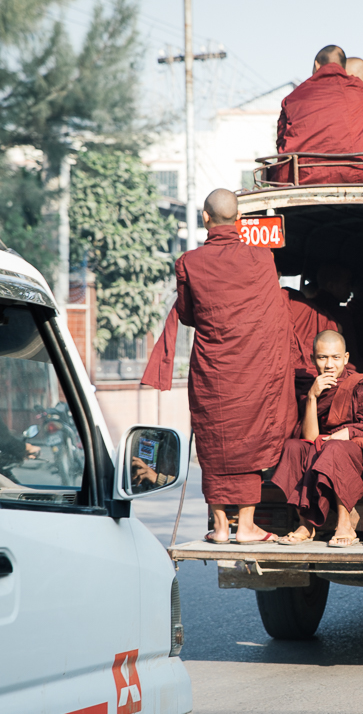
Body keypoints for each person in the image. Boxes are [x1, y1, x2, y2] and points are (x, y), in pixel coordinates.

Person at [142, 189, 295, 544]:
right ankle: (247, 526)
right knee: (251, 438)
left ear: (206, 218)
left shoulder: (189, 262)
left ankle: (222, 527)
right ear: (239, 218)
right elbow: (271, 316)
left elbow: (188, 314)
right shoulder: (261, 258)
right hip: (253, 367)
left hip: (214, 368)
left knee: (214, 441)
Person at [272, 331, 363, 548]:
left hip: (351, 454)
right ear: (312, 359)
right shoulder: (311, 388)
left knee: (335, 448)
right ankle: (305, 524)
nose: (329, 364)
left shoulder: (361, 386)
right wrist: (312, 396)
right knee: (293, 447)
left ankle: (345, 523)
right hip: (320, 448)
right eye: (322, 357)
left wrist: (348, 433)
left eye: (335, 357)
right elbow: (309, 437)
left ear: (346, 358)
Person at [273, 45, 363, 185]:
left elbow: (281, 143)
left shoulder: (294, 97)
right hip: (355, 176)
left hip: (303, 178)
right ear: (343, 67)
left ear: (317, 64)